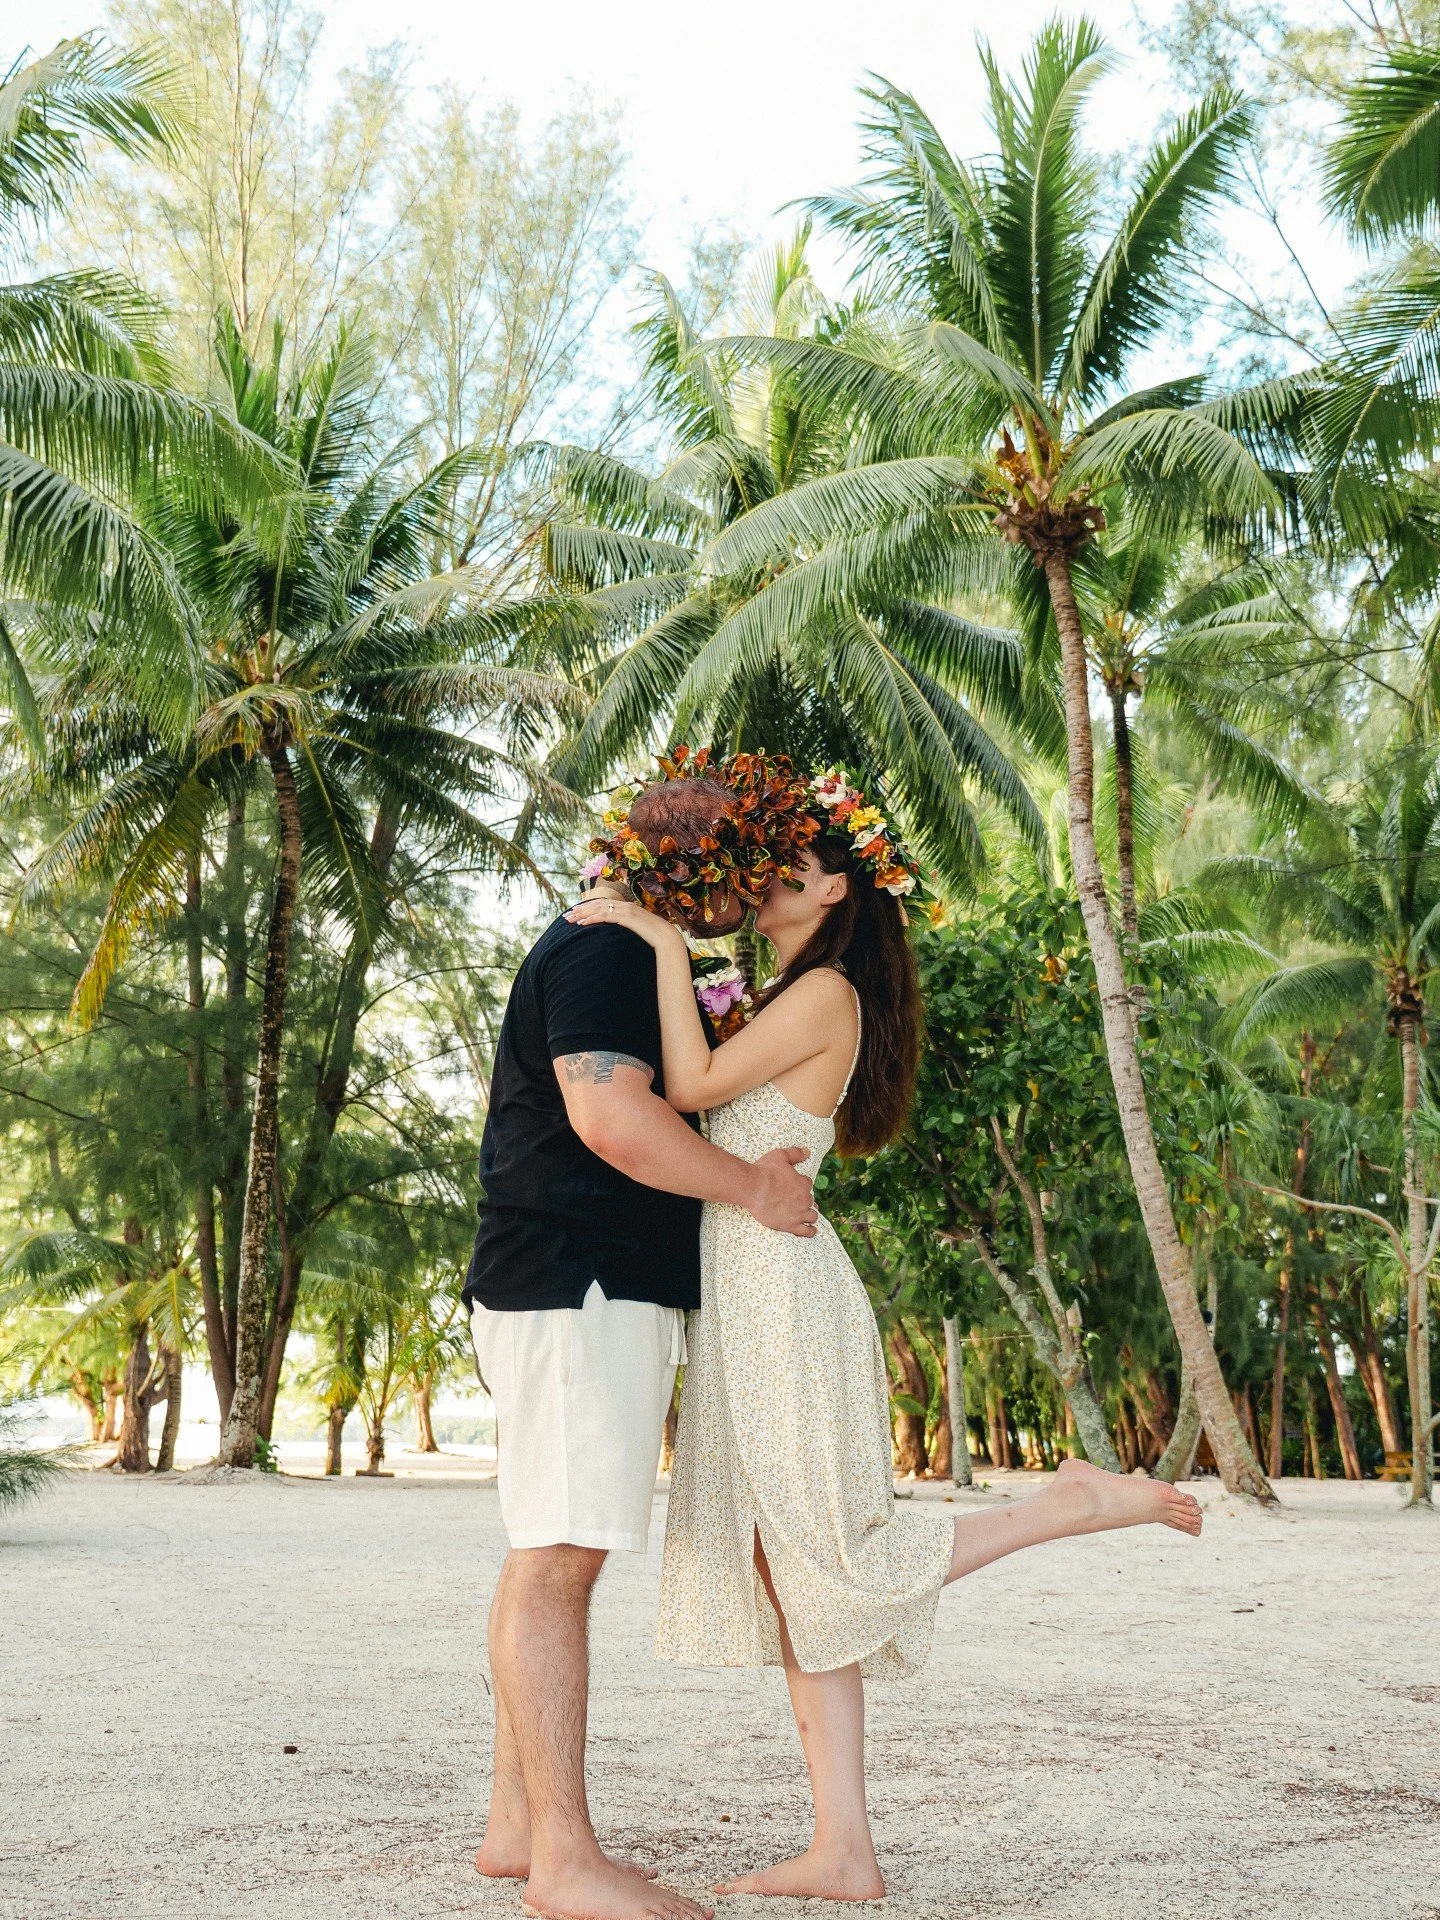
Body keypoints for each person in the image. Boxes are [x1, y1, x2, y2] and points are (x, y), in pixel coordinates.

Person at [567, 762, 1203, 1904]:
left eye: (791, 874)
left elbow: (692, 1079)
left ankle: (1067, 1505)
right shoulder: (783, 994)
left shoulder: (823, 997)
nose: (765, 887)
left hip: (783, 1292)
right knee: (790, 1563)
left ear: (835, 899)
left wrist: (660, 944)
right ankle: (844, 1847)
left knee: (827, 1555)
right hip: (751, 1288)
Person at [464, 770, 820, 1920]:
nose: (751, 897)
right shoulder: (609, 951)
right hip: (582, 1280)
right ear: (696, 868)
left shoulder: (620, 944)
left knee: (545, 1552)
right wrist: (753, 1193)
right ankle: (565, 1863)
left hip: (569, 1280)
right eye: (744, 869)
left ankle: (519, 1829)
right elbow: (612, 1118)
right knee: (562, 1560)